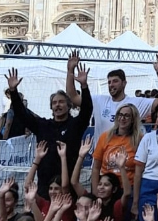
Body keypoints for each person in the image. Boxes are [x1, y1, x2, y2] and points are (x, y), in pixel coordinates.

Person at [6, 59, 93, 198]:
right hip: (45, 188)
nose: (57, 105)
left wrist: (84, 86)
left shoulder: (76, 125)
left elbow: (87, 109)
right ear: (51, 107)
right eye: (54, 103)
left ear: (69, 105)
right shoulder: (43, 126)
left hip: (67, 187)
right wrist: (13, 92)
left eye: (61, 102)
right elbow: (22, 114)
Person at [66, 52, 158, 142]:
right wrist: (70, 71)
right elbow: (73, 97)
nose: (111, 84)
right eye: (109, 82)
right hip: (101, 160)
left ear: (124, 83)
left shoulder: (134, 103)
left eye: (115, 81)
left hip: (125, 159)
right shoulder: (99, 100)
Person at [92, 103, 143, 193]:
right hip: (107, 188)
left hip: (128, 187)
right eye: (120, 114)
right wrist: (95, 192)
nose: (122, 118)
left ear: (133, 119)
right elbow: (96, 168)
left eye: (127, 116)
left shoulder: (140, 139)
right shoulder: (105, 137)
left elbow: (140, 171)